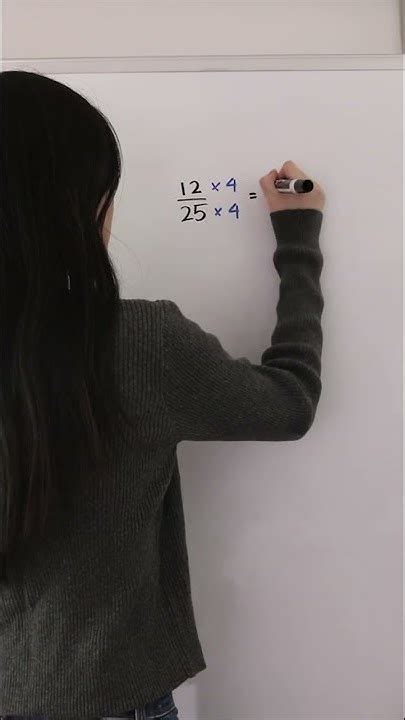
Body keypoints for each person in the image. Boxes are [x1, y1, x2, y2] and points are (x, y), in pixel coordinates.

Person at [0, 70, 325, 720]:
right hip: (106, 696)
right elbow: (288, 403)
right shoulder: (138, 343)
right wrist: (298, 245)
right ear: (77, 207)